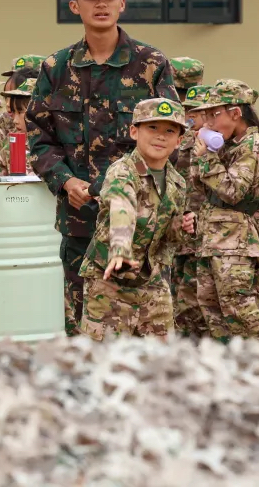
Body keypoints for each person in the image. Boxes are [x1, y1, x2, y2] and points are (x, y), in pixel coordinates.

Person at [27, 0, 178, 337]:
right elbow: (39, 137)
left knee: (148, 330)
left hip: (142, 223)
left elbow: (173, 137)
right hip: (81, 221)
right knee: (83, 329)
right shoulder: (55, 69)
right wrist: (65, 182)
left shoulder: (151, 65)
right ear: (74, 6)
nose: (100, 4)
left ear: (121, 3)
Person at [79, 98, 187, 340]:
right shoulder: (122, 172)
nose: (160, 136)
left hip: (152, 284)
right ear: (134, 131)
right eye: (152, 128)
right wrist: (120, 250)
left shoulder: (177, 183)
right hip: (109, 284)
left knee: (162, 356)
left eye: (169, 131)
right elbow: (122, 207)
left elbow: (168, 239)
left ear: (179, 141)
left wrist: (181, 226)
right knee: (104, 357)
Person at [190, 80, 259, 342]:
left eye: (214, 114)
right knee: (211, 306)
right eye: (206, 115)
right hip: (215, 234)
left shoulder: (251, 145)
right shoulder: (229, 143)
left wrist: (207, 159)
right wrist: (203, 156)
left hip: (236, 237)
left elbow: (233, 191)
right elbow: (202, 187)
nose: (208, 122)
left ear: (235, 113)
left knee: (239, 306)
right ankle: (229, 359)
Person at [173, 84, 213, 338]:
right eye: (191, 112)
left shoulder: (218, 143)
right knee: (180, 284)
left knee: (201, 289)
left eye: (199, 113)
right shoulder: (180, 142)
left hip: (208, 226)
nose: (193, 118)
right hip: (182, 225)